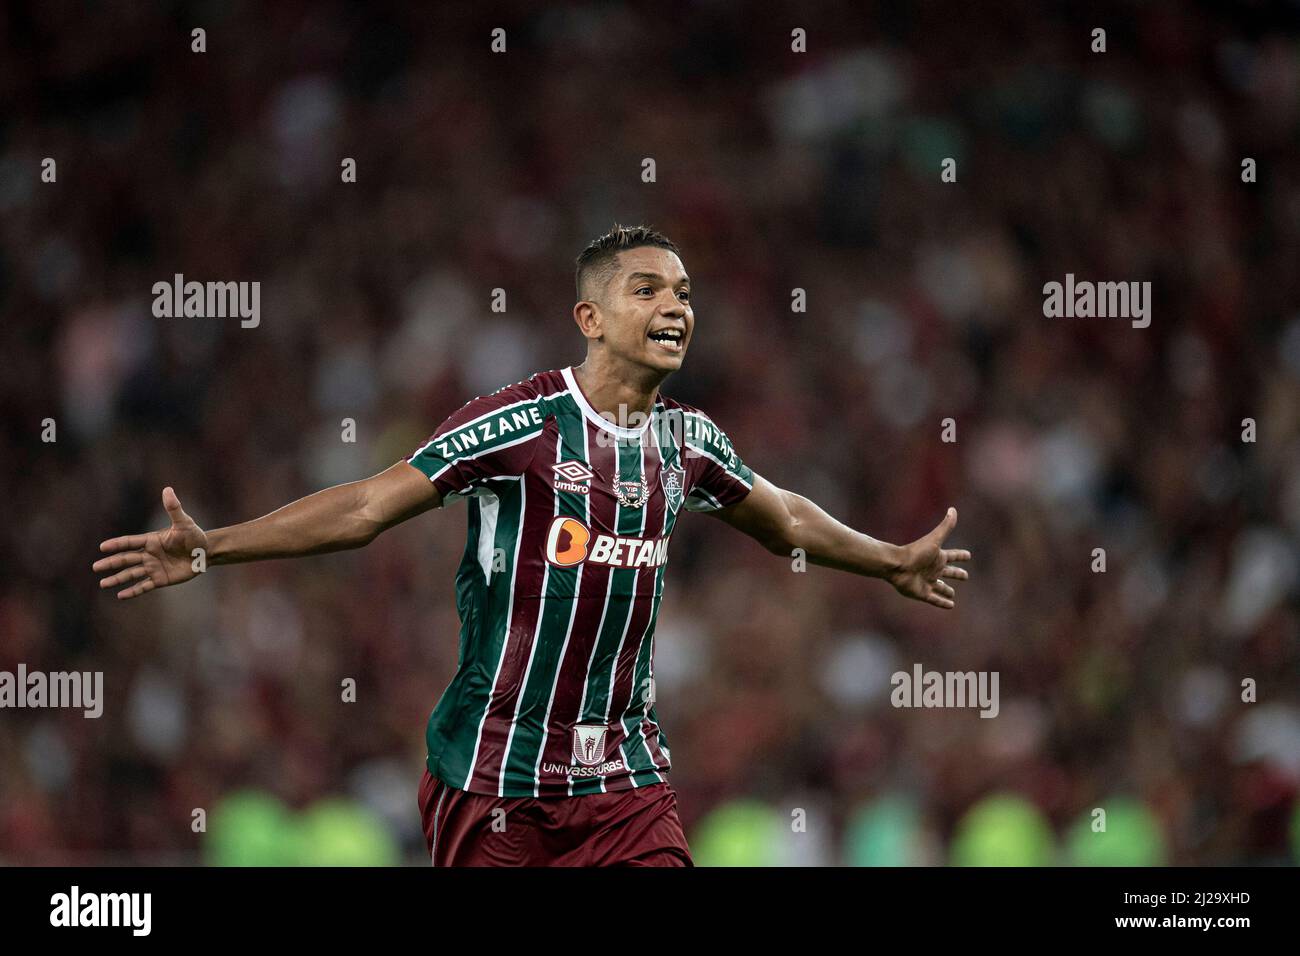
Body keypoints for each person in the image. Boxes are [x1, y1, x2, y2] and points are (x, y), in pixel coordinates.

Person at [93, 223, 971, 866]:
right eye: (648, 289)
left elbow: (783, 518)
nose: (675, 306)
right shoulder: (518, 425)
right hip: (493, 777)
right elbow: (367, 507)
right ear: (588, 317)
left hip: (624, 777)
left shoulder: (690, 443)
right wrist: (215, 547)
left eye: (685, 293)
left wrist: (891, 559)